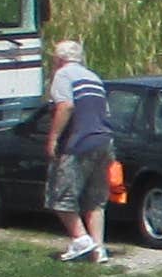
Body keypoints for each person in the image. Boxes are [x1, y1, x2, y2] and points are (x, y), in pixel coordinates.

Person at [44, 38, 114, 261]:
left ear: (59, 59)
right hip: (104, 141)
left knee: (60, 196)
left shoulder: (63, 75)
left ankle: (80, 238)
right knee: (95, 199)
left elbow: (66, 106)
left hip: (78, 143)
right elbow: (106, 112)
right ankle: (98, 249)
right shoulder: (93, 77)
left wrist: (53, 138)